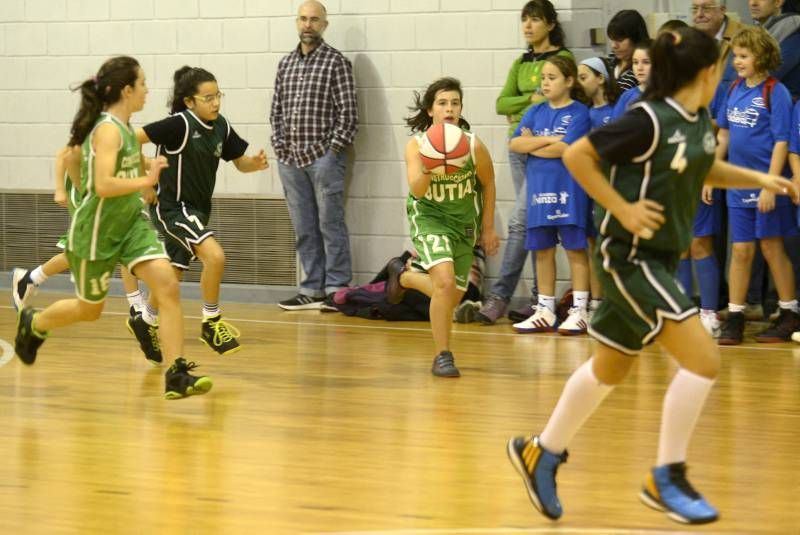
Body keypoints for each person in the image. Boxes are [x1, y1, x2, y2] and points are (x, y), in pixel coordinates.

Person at [505, 27, 799, 525]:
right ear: (707, 73)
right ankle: (667, 476)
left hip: (657, 259)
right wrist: (622, 206)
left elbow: (703, 168)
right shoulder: (646, 118)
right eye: (720, 67)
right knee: (704, 360)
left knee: (611, 368)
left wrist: (762, 178)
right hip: (630, 258)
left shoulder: (698, 120)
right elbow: (580, 155)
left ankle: (541, 451)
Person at [14, 55, 212, 400]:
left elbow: (91, 161)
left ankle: (176, 372)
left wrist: (148, 169)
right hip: (97, 231)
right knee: (89, 310)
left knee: (168, 286)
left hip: (131, 225)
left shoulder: (125, 130)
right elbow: (103, 184)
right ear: (127, 89)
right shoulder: (107, 130)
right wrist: (143, 179)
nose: (147, 90)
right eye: (143, 84)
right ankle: (34, 323)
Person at [132, 66, 268, 358]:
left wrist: (253, 164)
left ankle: (145, 320)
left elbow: (239, 162)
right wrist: (144, 182)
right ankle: (211, 322)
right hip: (172, 209)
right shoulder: (178, 124)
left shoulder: (221, 126)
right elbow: (129, 139)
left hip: (198, 210)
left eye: (218, 95)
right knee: (215, 256)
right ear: (189, 101)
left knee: (173, 275)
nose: (215, 102)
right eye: (208, 98)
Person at [385, 77, 499, 377]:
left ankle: (405, 276)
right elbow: (419, 190)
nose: (449, 109)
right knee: (445, 284)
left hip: (463, 224)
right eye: (443, 103)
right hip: (430, 218)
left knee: (453, 296)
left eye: (455, 103)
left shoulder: (473, 145)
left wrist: (488, 228)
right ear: (431, 110)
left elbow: (488, 184)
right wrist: (430, 163)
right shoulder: (417, 145)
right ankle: (443, 355)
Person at [477, 0, 573, 325]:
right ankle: (538, 301)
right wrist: (529, 100)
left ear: (550, 23)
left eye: (534, 20)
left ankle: (500, 296)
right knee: (533, 223)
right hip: (518, 147)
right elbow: (501, 103)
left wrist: (523, 109)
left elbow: (554, 102)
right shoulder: (521, 62)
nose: (528, 26)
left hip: (544, 152)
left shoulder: (563, 59)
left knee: (521, 221)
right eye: (524, 21)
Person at [270, 0, 358, 311]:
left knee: (330, 224)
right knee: (304, 227)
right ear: (297, 22)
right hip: (290, 160)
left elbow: (348, 115)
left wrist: (332, 151)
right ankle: (312, 288)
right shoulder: (285, 64)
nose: (308, 24)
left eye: (315, 20)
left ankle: (337, 288)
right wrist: (280, 148)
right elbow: (276, 111)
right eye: (303, 19)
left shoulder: (336, 63)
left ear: (324, 25)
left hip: (324, 159)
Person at [716, 27, 800, 345]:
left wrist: (770, 184)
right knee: (740, 250)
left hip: (766, 184)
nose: (736, 61)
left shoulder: (774, 91)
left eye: (743, 56)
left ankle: (789, 311)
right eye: (735, 55)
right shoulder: (735, 88)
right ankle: (735, 315)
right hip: (737, 185)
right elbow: (723, 134)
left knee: (771, 247)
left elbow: (781, 140)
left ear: (761, 57)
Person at [12, 146, 148, 319]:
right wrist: (60, 189)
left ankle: (29, 279)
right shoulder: (95, 125)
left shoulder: (122, 130)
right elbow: (64, 154)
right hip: (84, 190)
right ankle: (135, 305)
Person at [508, 56, 592, 335]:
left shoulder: (580, 113)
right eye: (543, 77)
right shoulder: (535, 111)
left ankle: (580, 310)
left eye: (552, 77)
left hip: (569, 190)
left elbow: (566, 149)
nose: (545, 82)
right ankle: (544, 309)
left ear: (569, 81)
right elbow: (516, 143)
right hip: (539, 190)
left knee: (574, 249)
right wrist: (552, 140)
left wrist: (537, 144)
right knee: (543, 250)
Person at [577, 56, 620, 317]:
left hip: (612, 187)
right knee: (592, 245)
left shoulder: (616, 111)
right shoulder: (583, 114)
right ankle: (596, 303)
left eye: (584, 77)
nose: (580, 83)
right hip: (586, 187)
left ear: (601, 78)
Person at [750, 0, 800, 99]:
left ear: (778, 2)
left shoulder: (794, 32)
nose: (753, 3)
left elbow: (760, 78)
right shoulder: (762, 30)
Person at [692, 0, 748, 86]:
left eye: (706, 8)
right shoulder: (687, 39)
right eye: (695, 8)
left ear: (722, 10)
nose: (699, 14)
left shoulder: (747, 38)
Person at [606, 10, 650, 93]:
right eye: (612, 39)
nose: (614, 45)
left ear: (635, 38)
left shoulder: (641, 70)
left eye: (620, 40)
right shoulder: (609, 60)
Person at [610, 39, 653, 119]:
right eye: (635, 62)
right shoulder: (627, 96)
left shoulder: (669, 95)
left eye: (646, 62)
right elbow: (614, 126)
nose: (639, 68)